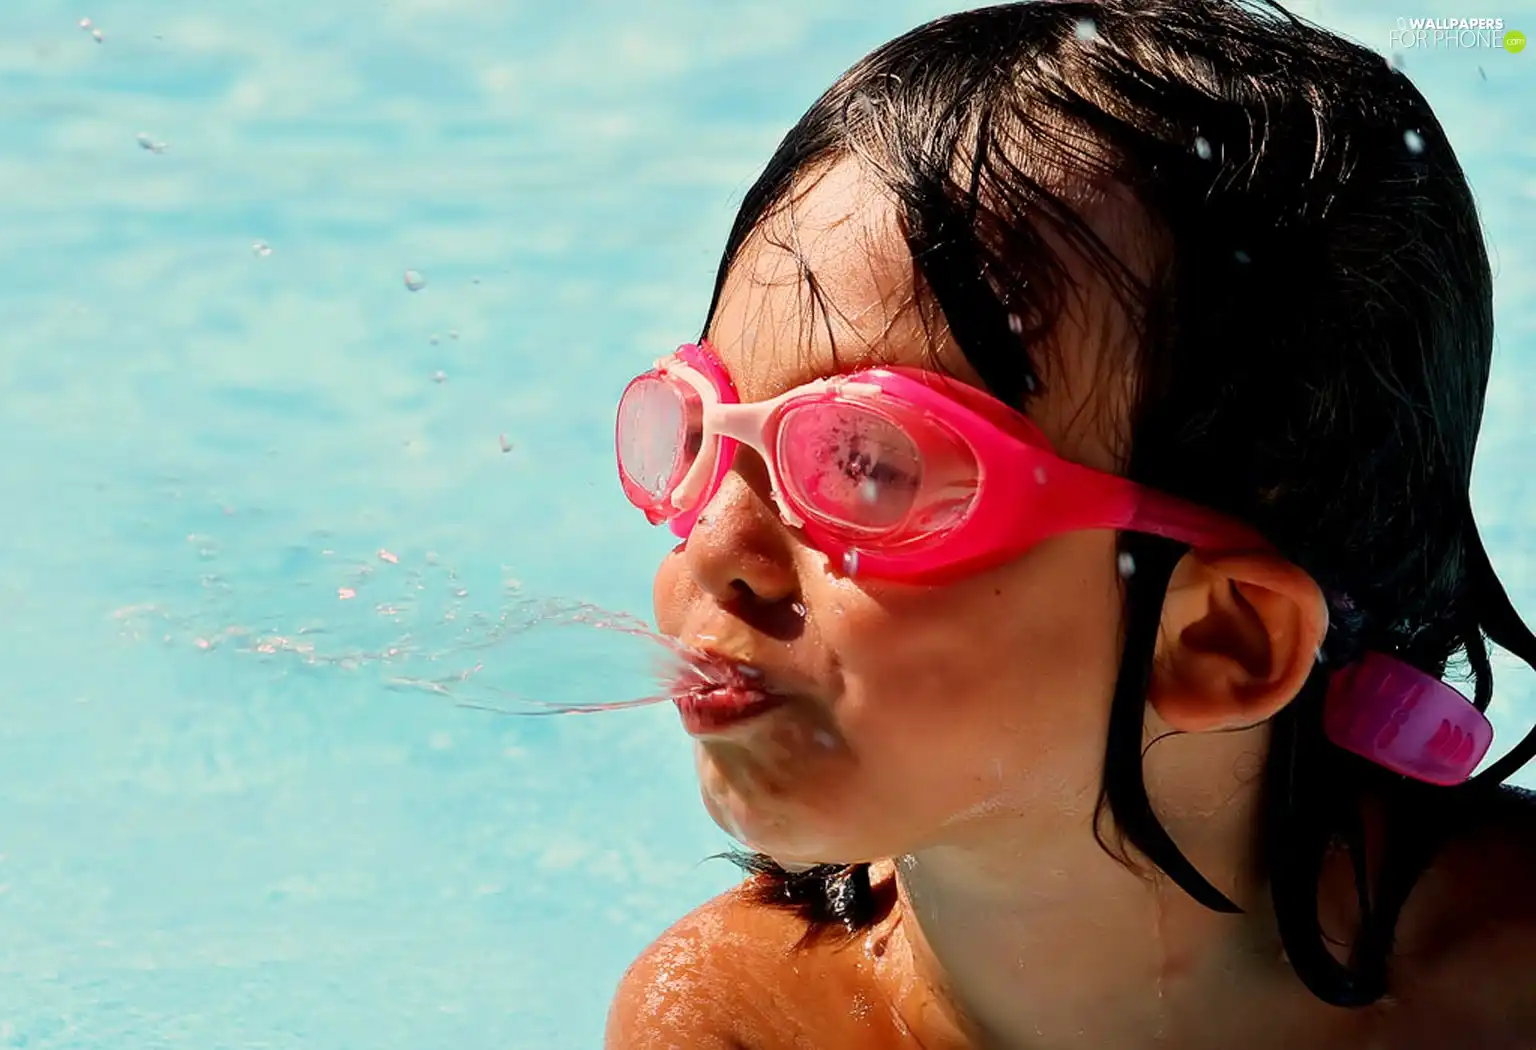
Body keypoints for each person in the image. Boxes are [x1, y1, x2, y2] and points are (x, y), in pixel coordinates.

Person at [602, 1, 1536, 1047]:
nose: (718, 553)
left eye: (867, 462)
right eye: (696, 437)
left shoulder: (1510, 982)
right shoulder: (749, 1021)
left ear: (1221, 639)